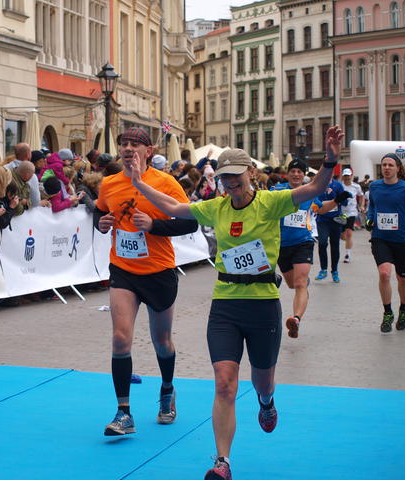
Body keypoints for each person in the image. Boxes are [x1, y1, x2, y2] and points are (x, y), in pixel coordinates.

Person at [127, 126, 345, 480]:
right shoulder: (216, 208)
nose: (230, 184)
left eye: (235, 176)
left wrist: (331, 159)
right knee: (225, 384)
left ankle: (266, 401)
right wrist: (138, 182)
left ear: (251, 173)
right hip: (226, 306)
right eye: (224, 178)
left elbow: (315, 188)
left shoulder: (272, 202)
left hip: (263, 305)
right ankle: (223, 462)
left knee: (262, 381)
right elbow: (173, 206)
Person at [94, 127, 198, 437]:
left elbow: (190, 222)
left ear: (148, 151)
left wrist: (154, 225)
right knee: (120, 339)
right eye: (123, 144)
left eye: (135, 144)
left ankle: (167, 390)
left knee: (161, 341)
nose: (128, 148)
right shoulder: (110, 183)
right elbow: (99, 212)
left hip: (158, 271)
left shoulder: (165, 183)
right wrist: (101, 224)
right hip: (123, 269)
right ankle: (124, 413)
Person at [270, 159, 349, 338]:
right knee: (293, 284)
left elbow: (321, 209)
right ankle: (300, 284)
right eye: (293, 171)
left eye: (299, 171)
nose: (296, 174)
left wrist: (337, 200)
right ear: (287, 173)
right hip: (281, 245)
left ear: (303, 175)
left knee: (300, 283)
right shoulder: (276, 191)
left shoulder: (309, 193)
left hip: (303, 242)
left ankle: (296, 319)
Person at [365, 153, 405, 333]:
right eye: (384, 165)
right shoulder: (374, 187)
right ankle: (388, 312)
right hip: (380, 238)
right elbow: (372, 206)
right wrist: (370, 219)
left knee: (402, 278)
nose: (387, 168)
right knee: (384, 274)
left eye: (390, 165)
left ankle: (403, 309)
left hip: (402, 240)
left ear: (398, 168)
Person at [314, 175, 348, 283]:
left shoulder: (337, 185)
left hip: (335, 220)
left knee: (335, 245)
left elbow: (345, 202)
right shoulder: (318, 185)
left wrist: (342, 198)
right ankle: (323, 270)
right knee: (322, 243)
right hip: (322, 220)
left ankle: (335, 271)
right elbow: (314, 201)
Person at [339, 168, 364, 263]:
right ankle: (347, 241)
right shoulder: (340, 186)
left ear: (351, 176)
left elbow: (361, 196)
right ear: (343, 176)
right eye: (345, 176)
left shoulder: (356, 186)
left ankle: (347, 255)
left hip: (352, 212)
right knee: (342, 236)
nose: (347, 177)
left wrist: (361, 205)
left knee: (349, 233)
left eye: (348, 175)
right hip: (342, 213)